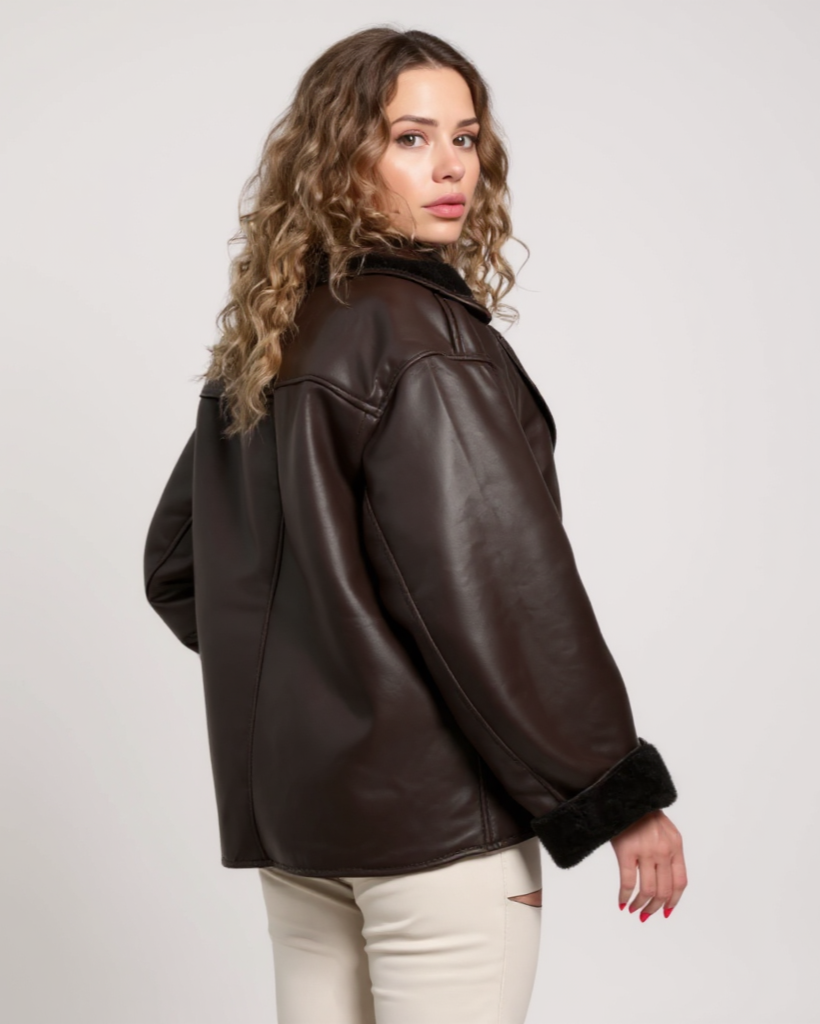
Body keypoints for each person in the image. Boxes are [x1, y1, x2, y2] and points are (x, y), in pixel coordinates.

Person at [143, 25, 687, 1024]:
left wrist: (331, 677)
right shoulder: (423, 341)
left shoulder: (272, 337)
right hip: (438, 842)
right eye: (409, 138)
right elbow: (500, 601)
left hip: (304, 832)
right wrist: (617, 792)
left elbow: (181, 567)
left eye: (465, 138)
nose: (451, 167)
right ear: (340, 157)